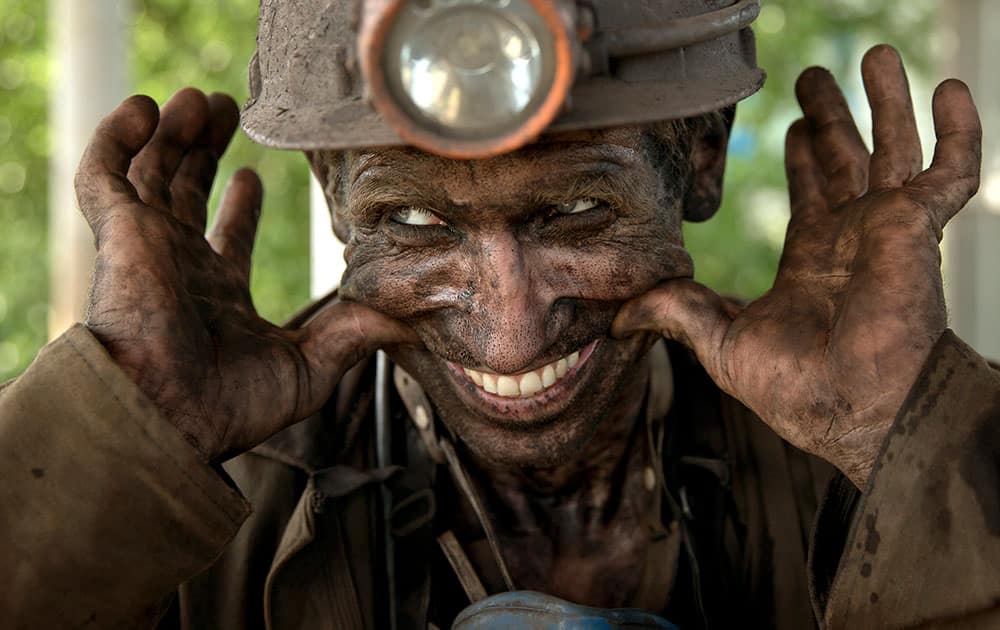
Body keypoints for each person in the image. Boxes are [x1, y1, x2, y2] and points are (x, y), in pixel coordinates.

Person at [2, 1, 998, 628]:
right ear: (331, 193)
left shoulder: (839, 459)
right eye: (417, 221)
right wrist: (129, 434)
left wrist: (901, 433)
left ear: (698, 159)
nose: (511, 328)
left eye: (573, 211)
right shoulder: (196, 500)